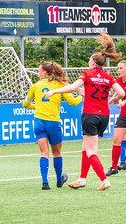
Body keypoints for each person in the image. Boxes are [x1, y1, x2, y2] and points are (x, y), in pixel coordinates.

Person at [44, 33, 125, 191]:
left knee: (90, 150)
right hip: (104, 116)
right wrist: (113, 99)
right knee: (85, 147)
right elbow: (121, 92)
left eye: (90, 60)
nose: (88, 62)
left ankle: (104, 179)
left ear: (93, 63)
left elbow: (73, 87)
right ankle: (82, 178)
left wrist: (55, 92)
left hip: (90, 115)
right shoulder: (108, 77)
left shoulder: (87, 74)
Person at [23, 61, 82, 190]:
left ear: (45, 72)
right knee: (57, 152)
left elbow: (25, 104)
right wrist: (81, 97)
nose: (38, 72)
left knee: (44, 152)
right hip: (53, 123)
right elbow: (72, 102)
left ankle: (45, 182)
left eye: (39, 70)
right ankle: (59, 180)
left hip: (39, 122)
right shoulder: (60, 85)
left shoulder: (35, 86)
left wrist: (37, 107)